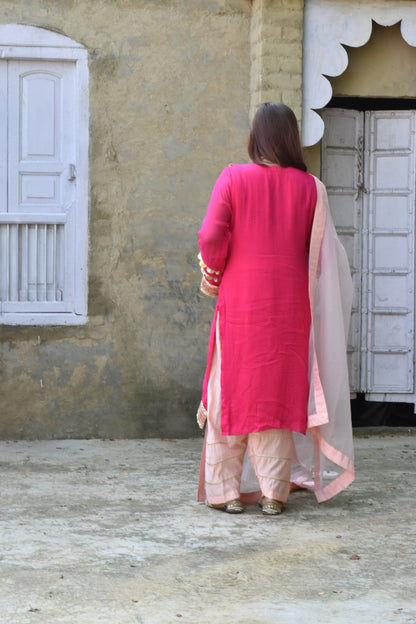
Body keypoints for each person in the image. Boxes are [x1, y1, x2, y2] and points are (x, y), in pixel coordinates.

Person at [196, 102, 354, 515]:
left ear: (256, 137)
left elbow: (212, 233)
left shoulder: (232, 177)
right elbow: (319, 261)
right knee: (275, 399)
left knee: (229, 391)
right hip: (288, 312)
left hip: (240, 307)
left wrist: (212, 278)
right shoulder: (311, 188)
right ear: (289, 138)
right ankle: (272, 495)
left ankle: (227, 493)